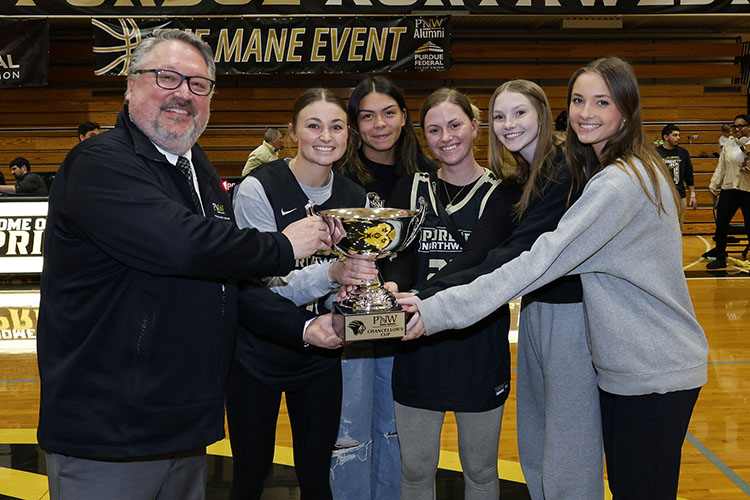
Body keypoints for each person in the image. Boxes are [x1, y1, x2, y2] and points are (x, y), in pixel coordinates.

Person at [36, 30, 338, 500]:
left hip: (182, 429)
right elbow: (181, 245)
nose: (183, 93)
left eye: (198, 84)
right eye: (167, 77)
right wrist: (280, 245)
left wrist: (302, 328)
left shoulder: (193, 167)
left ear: (211, 99)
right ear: (131, 85)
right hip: (110, 436)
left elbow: (223, 285)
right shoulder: (99, 162)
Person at [401, 57, 708, 500]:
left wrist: (436, 309)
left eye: (601, 102)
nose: (586, 112)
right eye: (579, 100)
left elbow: (538, 260)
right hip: (632, 364)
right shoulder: (617, 169)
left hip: (653, 365)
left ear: (626, 109)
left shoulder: (615, 184)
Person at [402, 80, 602, 500]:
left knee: (562, 443)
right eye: (501, 116)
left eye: (520, 113)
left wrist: (426, 296)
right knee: (538, 438)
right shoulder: (529, 174)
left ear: (473, 127)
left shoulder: (549, 171)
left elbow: (501, 253)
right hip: (525, 314)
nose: (509, 124)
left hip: (548, 320)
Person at [227, 88, 376, 500]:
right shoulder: (259, 188)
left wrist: (351, 285)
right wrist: (331, 272)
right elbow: (261, 283)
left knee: (317, 476)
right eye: (313, 125)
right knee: (250, 474)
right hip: (255, 355)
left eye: (336, 127)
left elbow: (342, 286)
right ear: (292, 132)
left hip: (321, 355)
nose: (325, 136)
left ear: (349, 135)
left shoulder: (354, 198)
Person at [382, 88, 516, 500]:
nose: (446, 137)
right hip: (417, 347)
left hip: (478, 346)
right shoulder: (410, 186)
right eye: (434, 129)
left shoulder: (503, 192)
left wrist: (419, 294)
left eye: (455, 125)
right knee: (416, 470)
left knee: (480, 470)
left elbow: (477, 259)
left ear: (475, 127)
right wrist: (391, 284)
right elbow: (399, 254)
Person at [329, 76, 436, 500]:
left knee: (395, 427)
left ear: (405, 117)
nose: (379, 124)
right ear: (355, 124)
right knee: (349, 427)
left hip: (406, 315)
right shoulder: (339, 176)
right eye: (367, 115)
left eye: (389, 112)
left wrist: (399, 286)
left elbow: (423, 250)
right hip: (349, 314)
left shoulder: (428, 175)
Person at [704, 114, 750, 267]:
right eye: (734, 126)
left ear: (749, 126)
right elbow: (721, 167)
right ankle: (720, 256)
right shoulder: (729, 144)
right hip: (729, 189)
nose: (737, 129)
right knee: (722, 224)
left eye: (741, 126)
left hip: (748, 190)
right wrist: (713, 184)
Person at [656, 124, 696, 229]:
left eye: (679, 135)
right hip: (662, 197)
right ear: (665, 137)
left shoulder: (683, 153)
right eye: (675, 135)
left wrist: (692, 194)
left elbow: (689, 175)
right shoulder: (655, 153)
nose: (678, 138)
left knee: (678, 228)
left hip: (680, 196)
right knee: (662, 227)